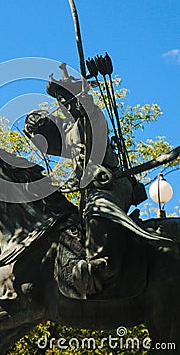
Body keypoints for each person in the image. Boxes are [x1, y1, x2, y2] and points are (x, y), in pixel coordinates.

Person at [24, 72, 170, 296]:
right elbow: (53, 143)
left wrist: (86, 103)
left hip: (111, 184)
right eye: (59, 100)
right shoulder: (70, 129)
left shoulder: (91, 116)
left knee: (96, 209)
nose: (63, 103)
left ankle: (103, 266)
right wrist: (35, 129)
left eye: (66, 97)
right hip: (93, 187)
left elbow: (95, 128)